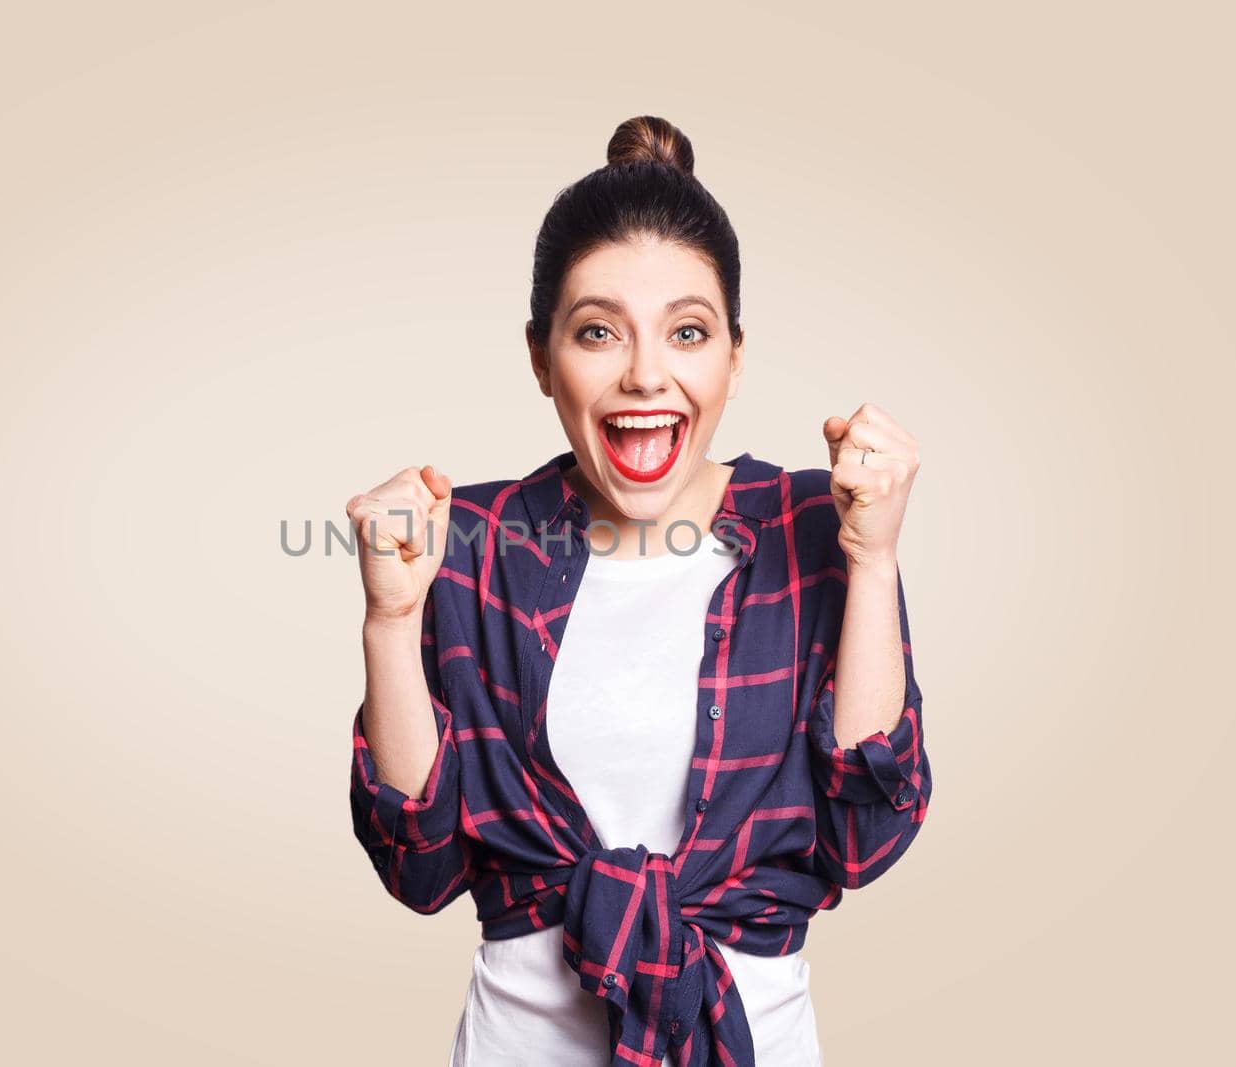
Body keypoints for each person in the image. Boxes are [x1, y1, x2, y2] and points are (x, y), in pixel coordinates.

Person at [345, 115, 931, 1067]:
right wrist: (390, 618)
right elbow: (420, 865)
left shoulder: (819, 527)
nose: (646, 373)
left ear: (733, 359)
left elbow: (865, 838)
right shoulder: (474, 543)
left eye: (687, 332)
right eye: (598, 331)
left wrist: (873, 563)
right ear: (543, 357)